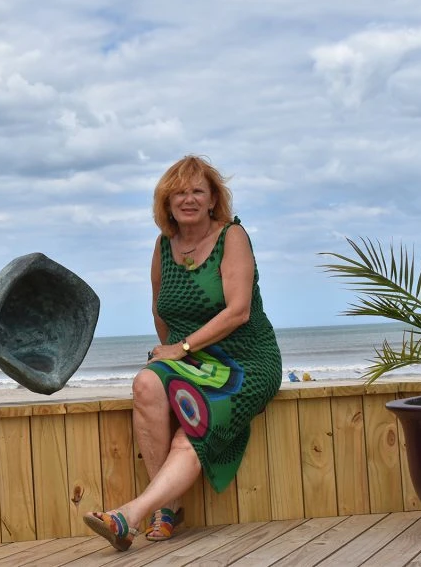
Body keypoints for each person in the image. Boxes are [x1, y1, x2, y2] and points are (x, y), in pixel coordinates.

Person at [84, 155, 281, 550]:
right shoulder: (163, 245)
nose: (188, 199)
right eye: (179, 193)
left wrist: (183, 347)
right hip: (193, 359)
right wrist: (173, 357)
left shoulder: (232, 236)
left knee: (192, 430)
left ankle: (130, 516)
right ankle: (168, 508)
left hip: (246, 361)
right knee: (145, 383)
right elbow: (161, 310)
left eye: (197, 191)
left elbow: (238, 311)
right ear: (167, 203)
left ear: (212, 200)